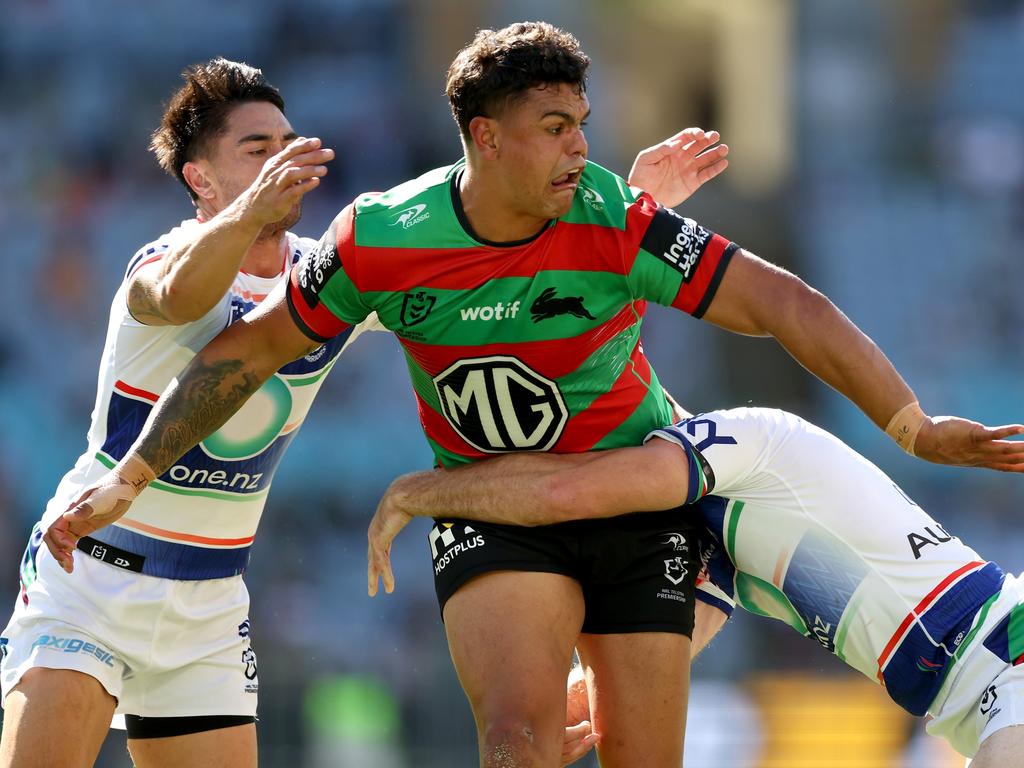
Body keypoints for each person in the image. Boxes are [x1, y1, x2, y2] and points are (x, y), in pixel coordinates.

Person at [41, 22, 1024, 768]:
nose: (574, 148)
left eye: (580, 128)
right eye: (553, 129)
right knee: (517, 739)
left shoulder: (607, 211)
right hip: (493, 511)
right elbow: (243, 356)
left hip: (636, 501)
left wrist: (910, 422)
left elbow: (780, 301)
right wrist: (132, 474)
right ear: (485, 137)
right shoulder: (383, 237)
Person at [0, 56, 728, 768]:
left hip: (208, 603)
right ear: (199, 177)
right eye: (257, 150)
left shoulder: (328, 274)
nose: (284, 163)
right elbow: (184, 297)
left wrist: (629, 205)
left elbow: (489, 285)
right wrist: (253, 208)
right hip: (92, 571)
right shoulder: (161, 261)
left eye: (289, 146)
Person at [366, 407, 1024, 767]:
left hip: (1005, 656)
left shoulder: (740, 443)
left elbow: (566, 491)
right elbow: (663, 652)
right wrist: (553, 717)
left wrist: (419, 492)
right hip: (974, 694)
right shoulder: (708, 535)